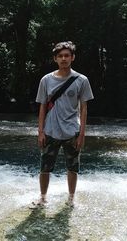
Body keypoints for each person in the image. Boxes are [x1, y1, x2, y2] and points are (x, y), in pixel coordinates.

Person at [32, 41, 94, 208]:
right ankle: (43, 198)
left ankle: (71, 198)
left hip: (72, 130)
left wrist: (82, 134)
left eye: (67, 55)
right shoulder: (46, 80)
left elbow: (84, 108)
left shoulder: (82, 80)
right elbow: (42, 106)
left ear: (73, 57)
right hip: (50, 130)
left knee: (72, 168)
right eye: (60, 56)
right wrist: (40, 131)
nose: (64, 58)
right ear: (55, 59)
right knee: (45, 167)